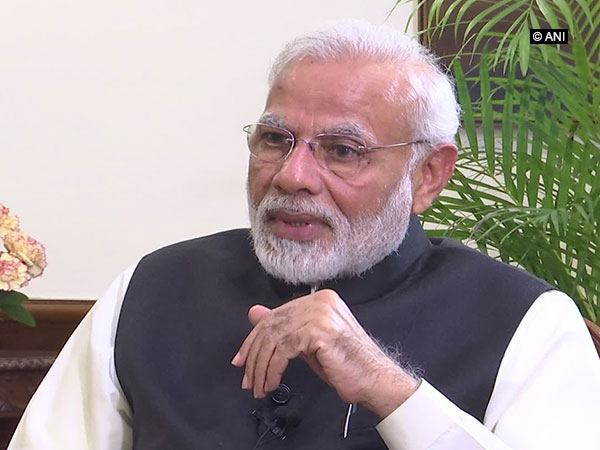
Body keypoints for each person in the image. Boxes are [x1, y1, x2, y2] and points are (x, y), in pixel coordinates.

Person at [9, 20, 600, 450]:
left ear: (428, 175)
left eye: (342, 151)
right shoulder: (150, 289)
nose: (292, 176)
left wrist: (389, 390)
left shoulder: (528, 322)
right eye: (275, 140)